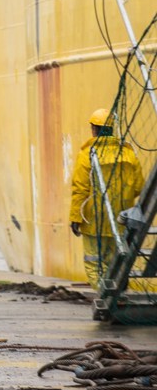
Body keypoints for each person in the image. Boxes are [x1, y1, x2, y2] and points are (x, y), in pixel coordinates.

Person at [70, 108, 145, 289]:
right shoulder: (128, 153)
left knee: (94, 261)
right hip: (120, 218)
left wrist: (75, 218)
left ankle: (105, 294)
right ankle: (118, 293)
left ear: (94, 129)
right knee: (116, 260)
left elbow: (80, 189)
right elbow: (138, 186)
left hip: (93, 219)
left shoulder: (87, 154)